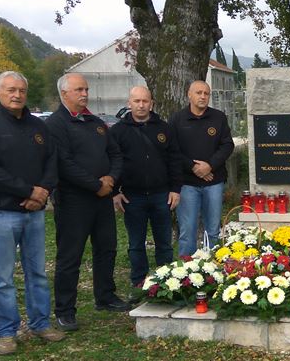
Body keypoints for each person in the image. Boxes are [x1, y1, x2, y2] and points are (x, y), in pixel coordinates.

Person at [0, 71, 64, 355]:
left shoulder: (38, 126)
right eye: (11, 90)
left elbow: (52, 162)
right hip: (1, 212)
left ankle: (40, 323)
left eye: (21, 90)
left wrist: (43, 191)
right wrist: (28, 191)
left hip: (34, 213)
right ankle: (7, 332)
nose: (17, 95)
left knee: (37, 272)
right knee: (3, 278)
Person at [48, 72, 129, 333]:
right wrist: (96, 185)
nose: (84, 94)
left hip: (102, 199)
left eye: (86, 89)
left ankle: (105, 296)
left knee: (106, 248)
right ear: (64, 93)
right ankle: (65, 310)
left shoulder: (95, 122)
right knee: (70, 256)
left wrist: (111, 179)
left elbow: (115, 153)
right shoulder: (56, 124)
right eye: (79, 90)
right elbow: (64, 163)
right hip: (74, 200)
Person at [110, 86, 182, 291]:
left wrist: (175, 189)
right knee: (135, 244)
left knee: (164, 243)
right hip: (132, 196)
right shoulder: (118, 131)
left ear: (152, 104)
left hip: (161, 195)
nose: (141, 105)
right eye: (137, 101)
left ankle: (167, 283)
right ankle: (139, 283)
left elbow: (174, 160)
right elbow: (112, 162)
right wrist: (114, 192)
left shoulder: (164, 129)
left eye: (145, 101)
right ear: (129, 103)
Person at [168, 80, 235, 256]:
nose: (203, 96)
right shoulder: (177, 119)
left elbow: (227, 145)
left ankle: (214, 266)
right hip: (187, 184)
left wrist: (209, 166)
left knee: (213, 230)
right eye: (198, 92)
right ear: (189, 95)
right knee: (187, 231)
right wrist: (193, 167)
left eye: (206, 93)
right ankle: (186, 268)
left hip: (214, 182)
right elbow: (172, 150)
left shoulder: (218, 117)